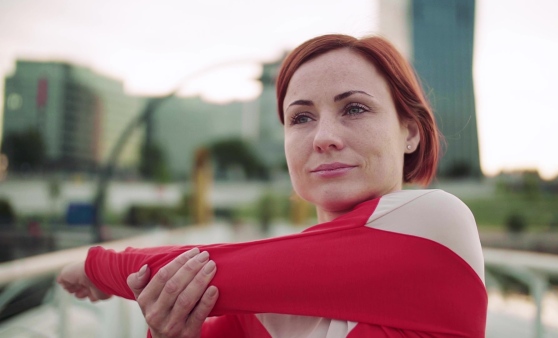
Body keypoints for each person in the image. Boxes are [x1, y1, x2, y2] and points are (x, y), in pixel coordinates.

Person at [58, 34, 487, 337]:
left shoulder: (438, 222)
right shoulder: (263, 300)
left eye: (354, 108)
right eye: (301, 117)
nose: (323, 137)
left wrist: (97, 267)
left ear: (410, 131)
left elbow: (208, 270)